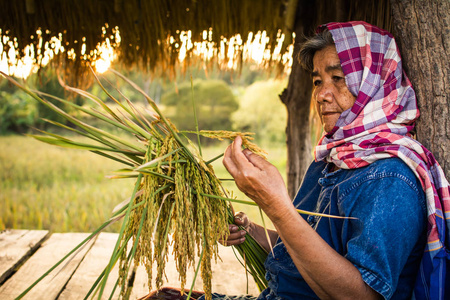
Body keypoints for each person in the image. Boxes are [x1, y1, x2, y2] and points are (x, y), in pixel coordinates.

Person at [217, 21, 450, 300]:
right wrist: (251, 231)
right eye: (318, 81)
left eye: (337, 78)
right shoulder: (333, 159)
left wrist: (275, 206)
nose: (320, 95)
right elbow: (308, 247)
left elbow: (360, 296)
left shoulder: (390, 177)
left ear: (373, 83)